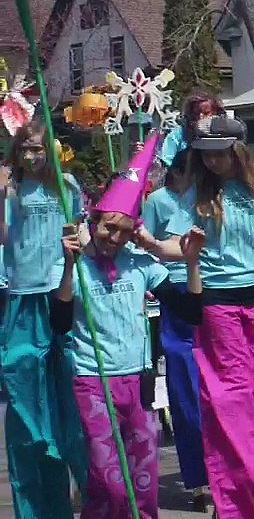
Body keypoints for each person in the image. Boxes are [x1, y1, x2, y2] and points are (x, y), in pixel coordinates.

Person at [134, 115, 254, 518]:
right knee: (230, 403)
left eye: (219, 153)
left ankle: (239, 484)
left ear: (237, 151)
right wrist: (153, 244)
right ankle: (240, 501)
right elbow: (181, 248)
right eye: (206, 154)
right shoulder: (196, 196)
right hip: (218, 306)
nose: (212, 161)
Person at [54, 136, 205, 519]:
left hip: (137, 382)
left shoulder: (141, 264)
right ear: (94, 221)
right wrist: (70, 267)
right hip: (93, 382)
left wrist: (190, 264)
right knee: (110, 485)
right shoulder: (76, 266)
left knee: (143, 487)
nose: (114, 238)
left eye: (123, 231)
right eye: (108, 228)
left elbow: (190, 311)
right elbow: (59, 322)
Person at [0, 121, 88, 519]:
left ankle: (87, 493)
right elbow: (4, 237)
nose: (33, 156)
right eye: (26, 149)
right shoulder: (11, 190)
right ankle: (37, 508)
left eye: (39, 148)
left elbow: (82, 230)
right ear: (16, 153)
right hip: (22, 298)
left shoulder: (66, 185)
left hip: (62, 295)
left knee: (72, 402)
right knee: (25, 408)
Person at [141, 151, 211, 508]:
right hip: (174, 294)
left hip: (210, 291)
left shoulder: (208, 196)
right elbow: (146, 246)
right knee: (184, 391)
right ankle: (197, 479)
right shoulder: (157, 201)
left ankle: (231, 468)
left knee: (219, 389)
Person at [159, 92, 223, 167]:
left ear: (216, 113)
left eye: (206, 113)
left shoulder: (223, 133)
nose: (200, 117)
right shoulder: (177, 135)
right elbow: (167, 162)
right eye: (196, 113)